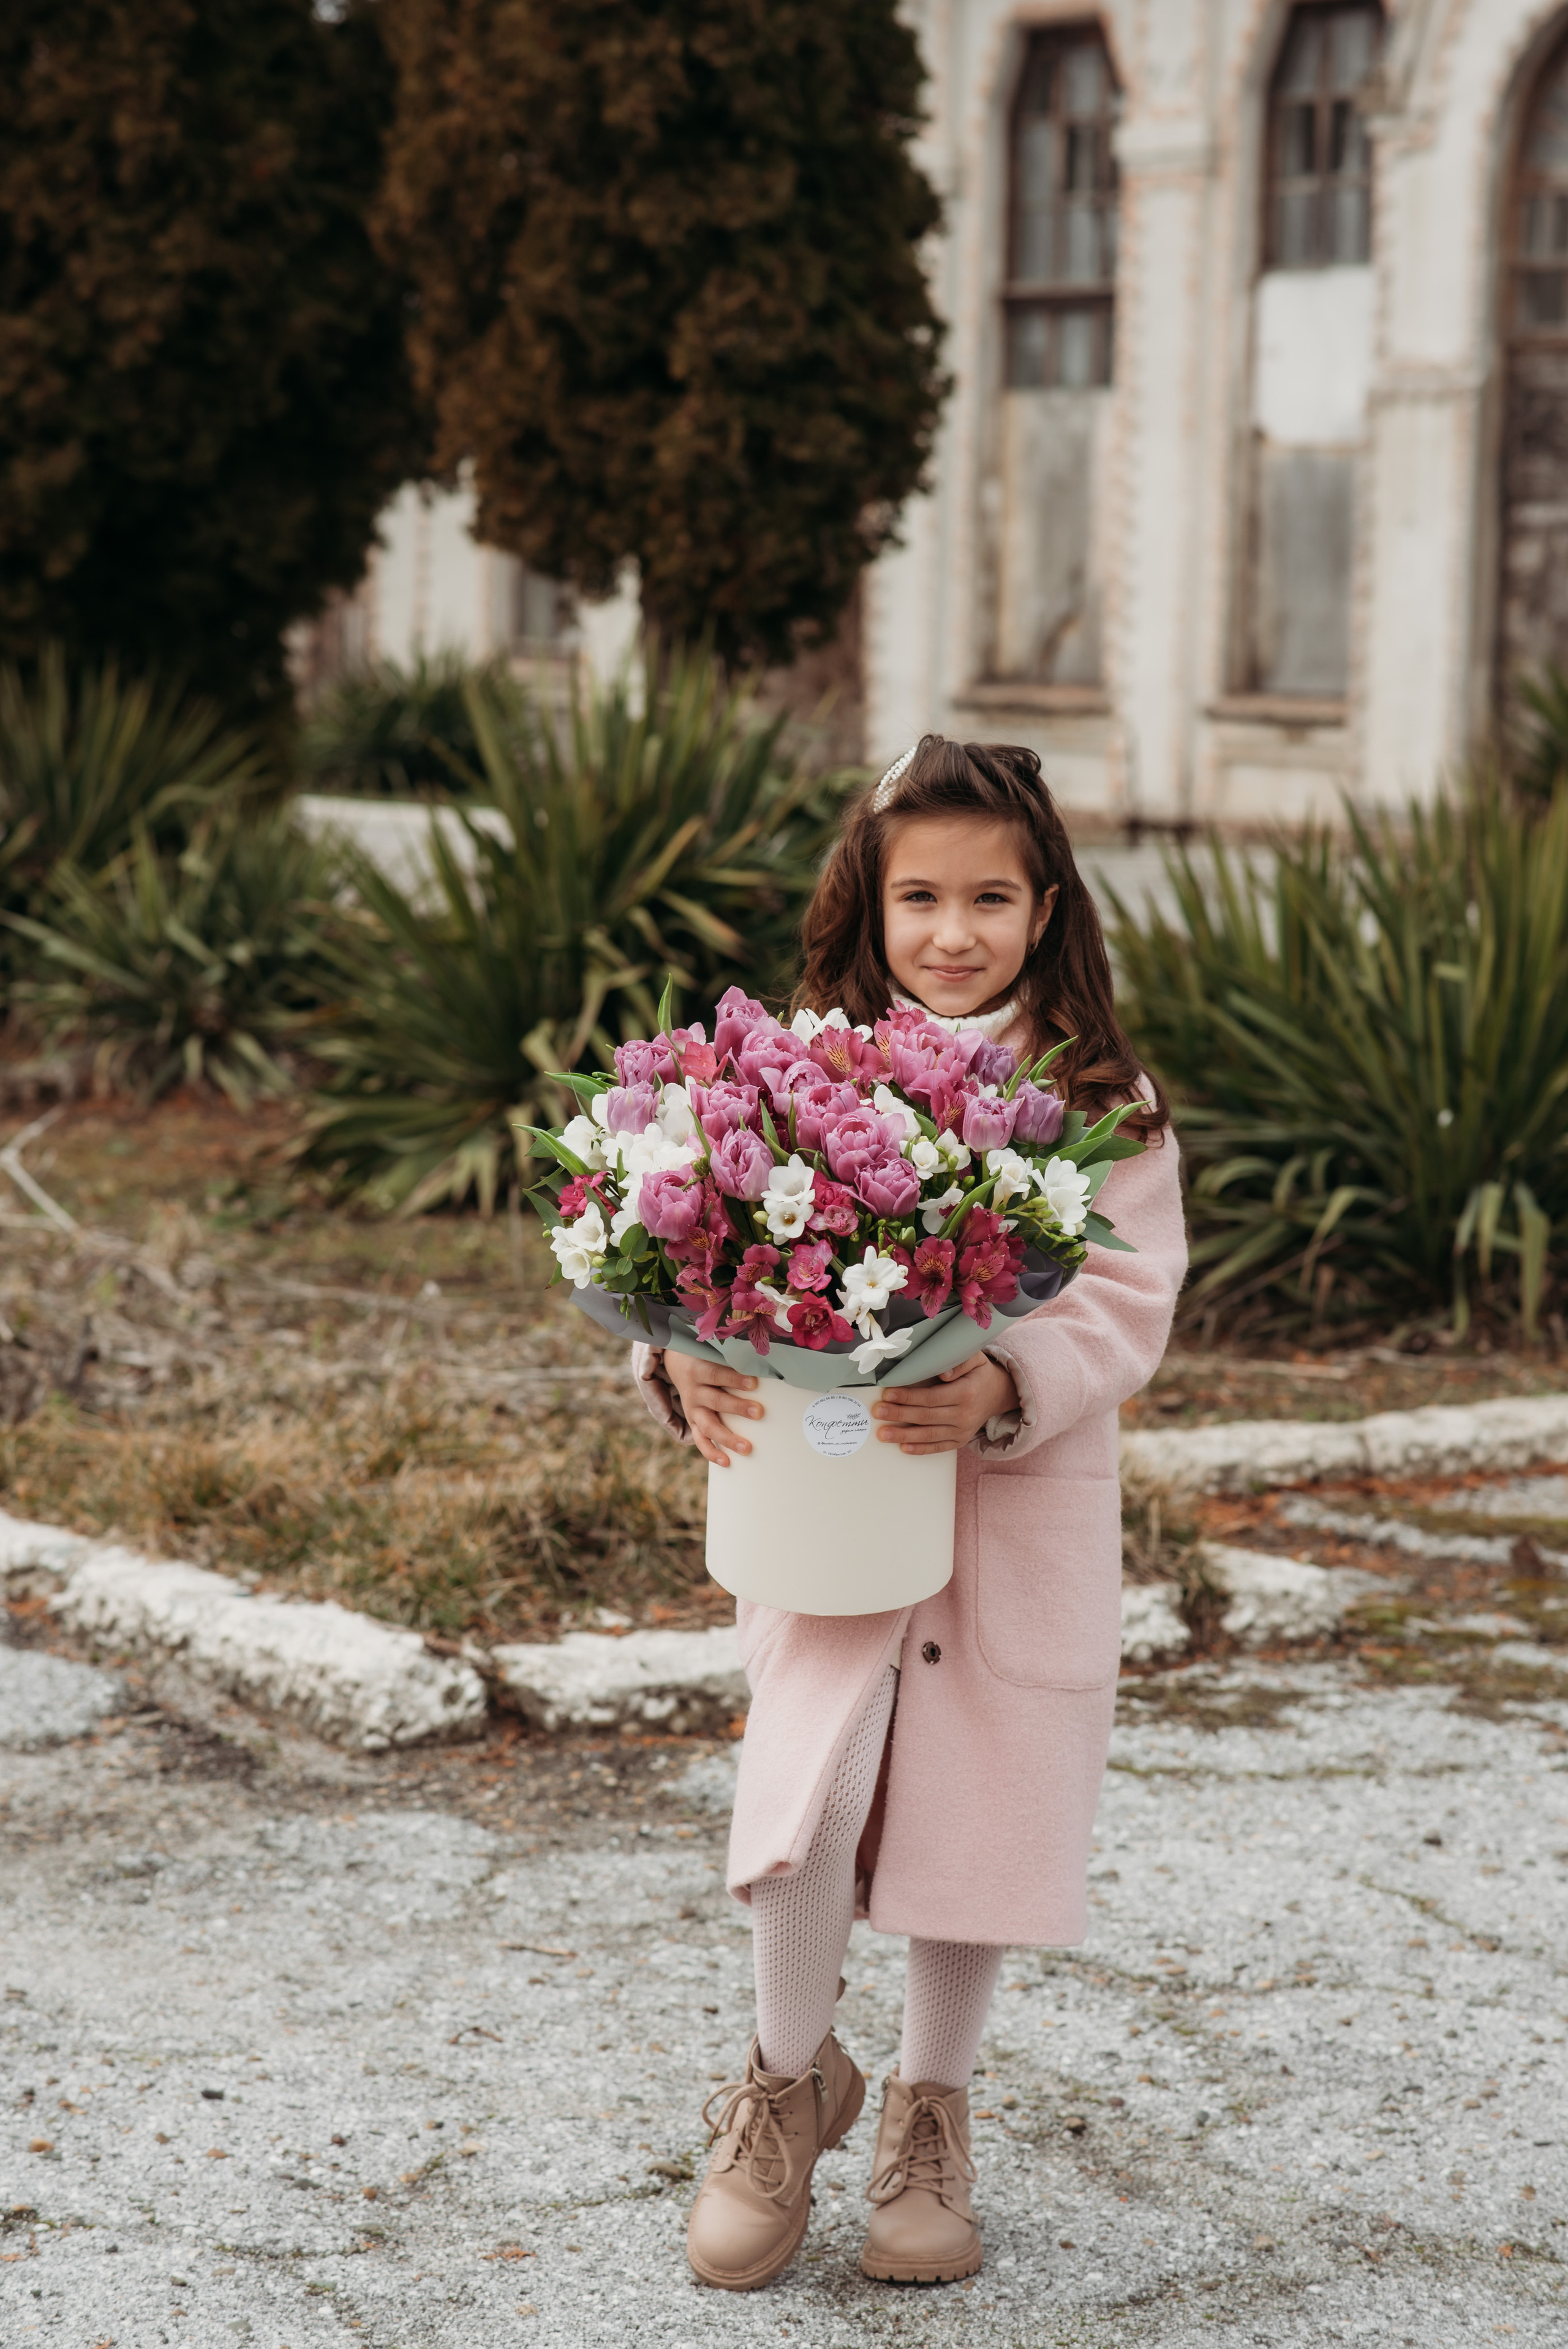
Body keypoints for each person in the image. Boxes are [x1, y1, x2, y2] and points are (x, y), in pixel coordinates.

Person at [631, 735, 1187, 2292]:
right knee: (807, 1797)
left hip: (1012, 1522)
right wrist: (675, 1362)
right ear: (869, 905)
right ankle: (783, 2078)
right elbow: (694, 1256)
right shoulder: (796, 1074)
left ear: (1045, 907)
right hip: (827, 1509)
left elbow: (1128, 1296)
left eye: (989, 899)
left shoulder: (1100, 1100)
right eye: (920, 898)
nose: (953, 933)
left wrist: (1010, 1377)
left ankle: (929, 2112)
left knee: (972, 1818)